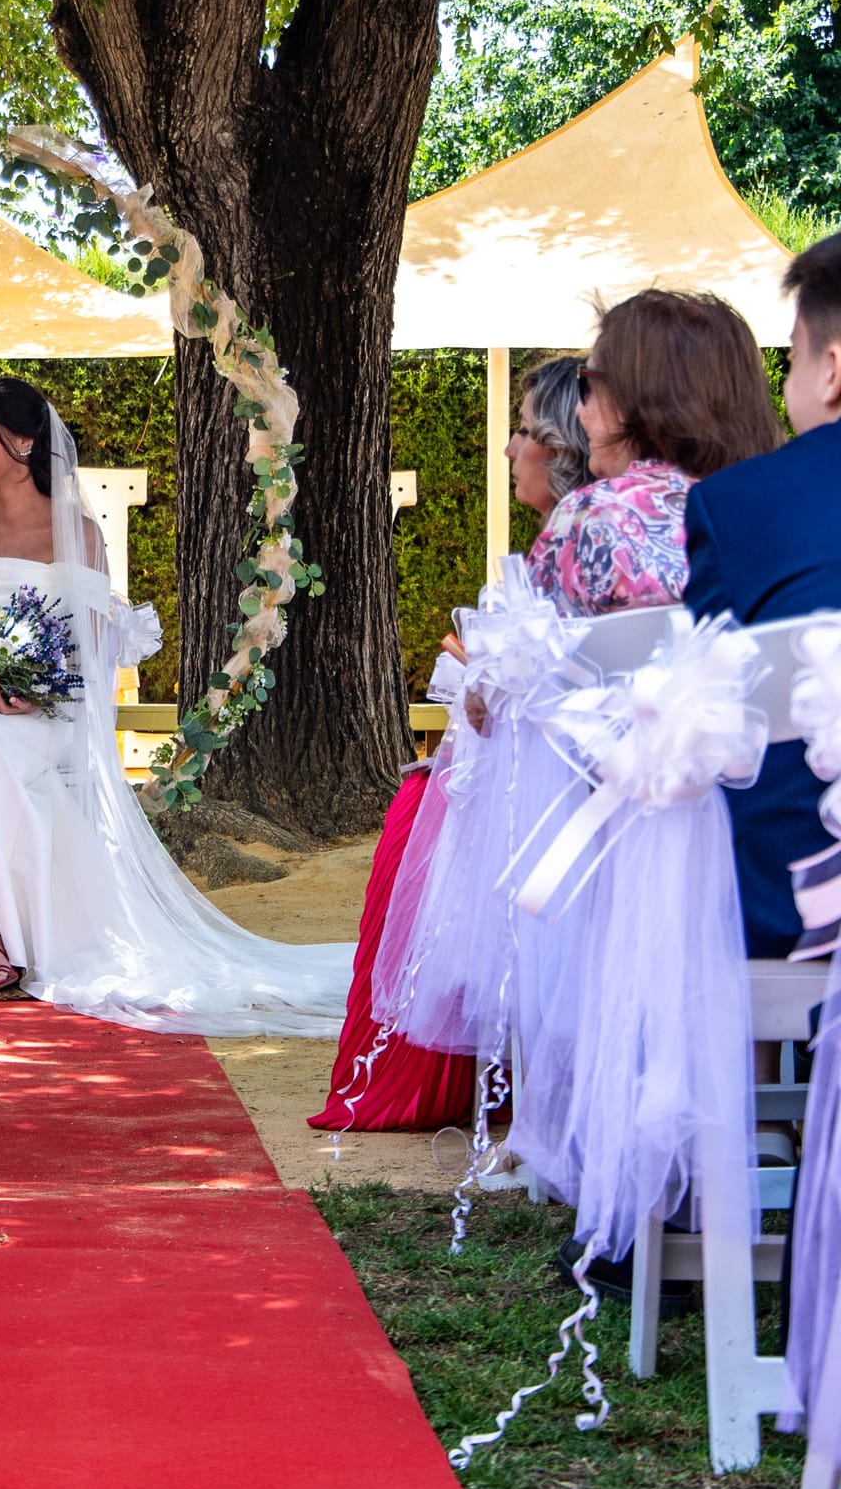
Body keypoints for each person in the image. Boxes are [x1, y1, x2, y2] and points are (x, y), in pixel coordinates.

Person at [0, 376, 351, 1034]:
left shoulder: (77, 531)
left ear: (24, 440)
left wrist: (30, 691)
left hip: (48, 713)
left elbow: (90, 646)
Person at [311, 357, 592, 1133]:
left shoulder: (579, 540)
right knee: (413, 802)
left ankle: (450, 1076)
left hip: (556, 791)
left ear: (561, 446)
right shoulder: (561, 539)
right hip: (530, 769)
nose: (508, 449)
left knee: (412, 815)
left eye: (523, 432)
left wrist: (481, 691)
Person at [686, 233, 841, 956]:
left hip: (793, 909)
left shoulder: (736, 504)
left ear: (832, 369)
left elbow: (704, 721)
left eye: (793, 359)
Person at [527, 289, 780, 615]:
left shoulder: (597, 515)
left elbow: (525, 638)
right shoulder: (789, 513)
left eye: (586, 385)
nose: (579, 410)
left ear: (635, 397)